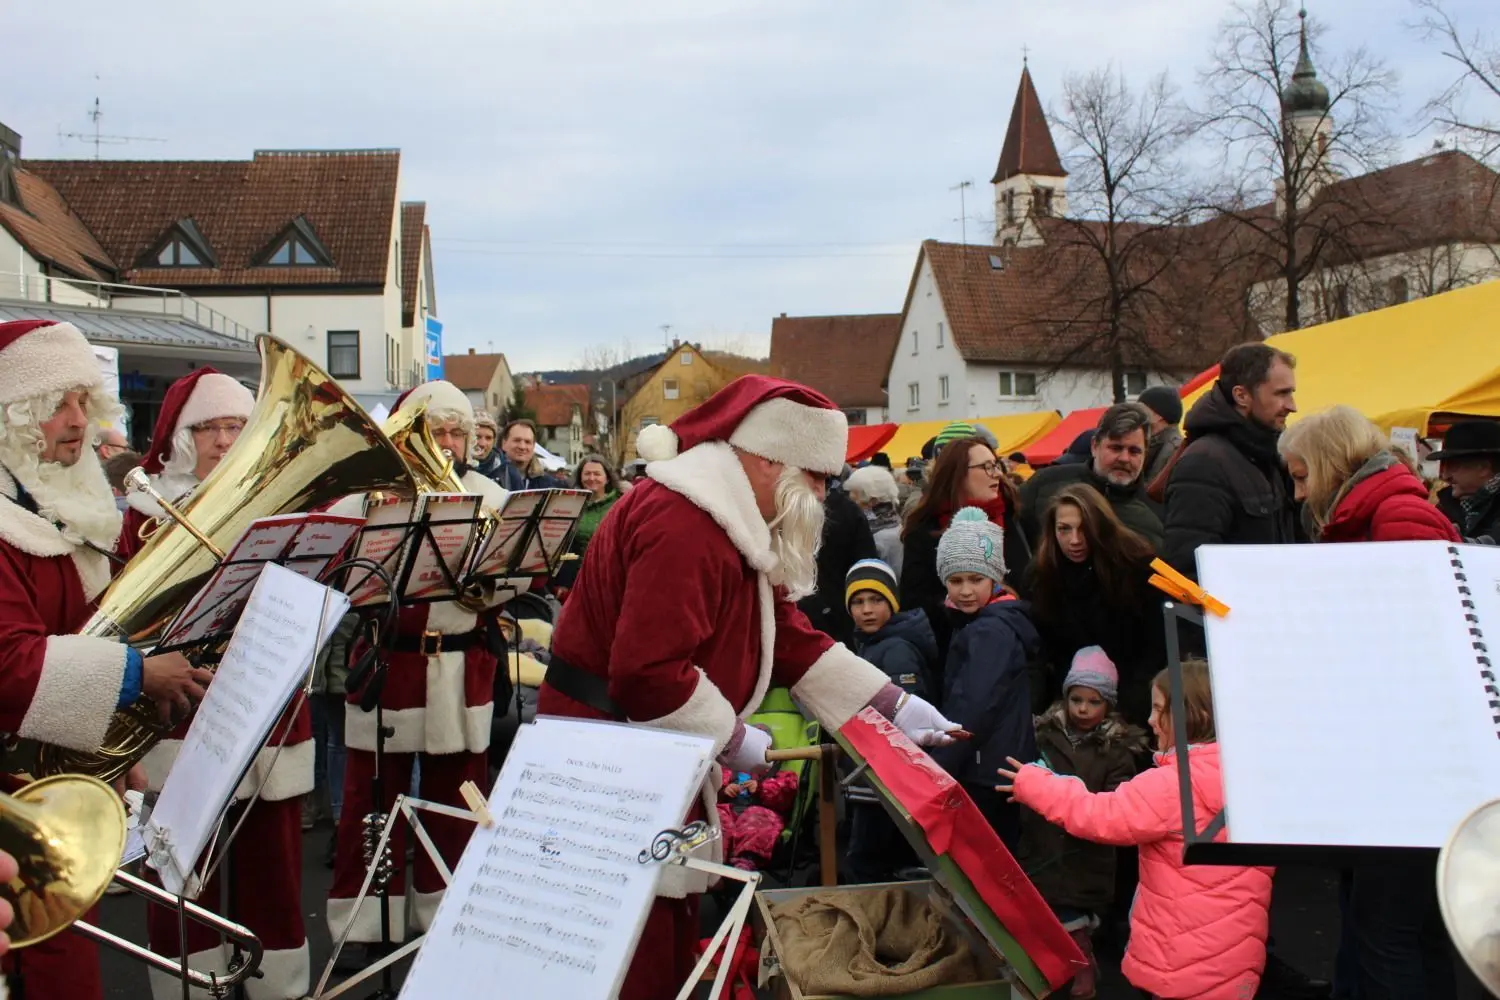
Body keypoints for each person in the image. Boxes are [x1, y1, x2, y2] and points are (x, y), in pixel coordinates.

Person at [536, 376, 962, 1000]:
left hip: (646, 748)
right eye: (815, 476)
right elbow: (648, 671)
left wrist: (893, 704)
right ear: (766, 459)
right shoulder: (686, 521)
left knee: (668, 918)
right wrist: (733, 736)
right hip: (611, 752)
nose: (823, 494)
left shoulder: (730, 513)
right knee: (629, 937)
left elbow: (781, 632)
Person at [0, 319, 209, 1000]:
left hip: (54, 784)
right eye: (56, 404)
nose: (77, 422)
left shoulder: (65, 504)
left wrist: (114, 745)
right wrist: (137, 674)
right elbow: (10, 664)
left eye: (84, 402)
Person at [121, 368, 315, 1000]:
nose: (227, 439)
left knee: (272, 868)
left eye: (239, 425)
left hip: (264, 701)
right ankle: (189, 987)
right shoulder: (146, 514)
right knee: (183, 870)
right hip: (183, 706)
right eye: (212, 427)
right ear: (182, 436)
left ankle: (276, 987)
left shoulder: (283, 507)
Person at [1279, 406, 1465, 999]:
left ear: (1334, 465)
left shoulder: (1396, 515)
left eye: (1304, 475)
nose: (1298, 491)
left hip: (1410, 762)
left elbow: (1421, 641)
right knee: (1406, 926)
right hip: (1405, 757)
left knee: (1387, 928)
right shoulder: (1379, 510)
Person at [327, 380, 510, 955]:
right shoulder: (373, 497)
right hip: (390, 660)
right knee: (370, 801)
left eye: (458, 432)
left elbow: (518, 577)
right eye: (437, 432)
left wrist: (497, 579)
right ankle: (366, 924)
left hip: (459, 667)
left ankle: (448, 915)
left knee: (458, 798)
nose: (450, 444)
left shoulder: (490, 496)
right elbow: (336, 567)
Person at [997, 660, 1274, 1000]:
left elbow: (1101, 815)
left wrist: (1035, 784)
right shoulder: (1254, 779)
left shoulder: (1173, 784)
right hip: (1234, 956)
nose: (1150, 721)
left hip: (1183, 957)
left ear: (1191, 716)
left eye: (1158, 710)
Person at [1017, 647, 1146, 1000]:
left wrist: (1071, 800)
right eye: (1077, 700)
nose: (1083, 709)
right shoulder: (1044, 734)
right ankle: (1066, 966)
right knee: (1046, 913)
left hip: (1085, 852)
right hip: (1042, 843)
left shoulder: (1117, 750)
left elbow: (1117, 802)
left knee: (1072, 915)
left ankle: (1083, 964)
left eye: (1094, 702)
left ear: (1109, 706)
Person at [929, 506, 1038, 850]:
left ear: (994, 579)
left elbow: (975, 703)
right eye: (956, 580)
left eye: (975, 579)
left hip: (986, 767)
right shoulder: (982, 625)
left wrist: (943, 761)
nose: (965, 591)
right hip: (996, 763)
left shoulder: (988, 631)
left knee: (985, 856)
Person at [1027, 484, 1163, 727]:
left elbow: (1155, 646)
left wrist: (1131, 708)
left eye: (1084, 529)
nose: (1075, 540)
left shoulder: (1136, 568)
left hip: (1133, 706)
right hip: (1069, 706)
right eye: (1064, 529)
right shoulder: (1041, 577)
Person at [1161, 343, 1299, 580]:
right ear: (1241, 395)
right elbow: (1188, 572)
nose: (1292, 406)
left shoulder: (1266, 455)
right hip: (1235, 614)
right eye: (1281, 393)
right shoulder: (1204, 464)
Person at [844, 558, 935, 883]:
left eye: (876, 600)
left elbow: (900, 718)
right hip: (874, 773)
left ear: (893, 603)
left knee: (867, 864)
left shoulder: (896, 650)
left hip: (884, 775)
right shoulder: (872, 646)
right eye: (858, 601)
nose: (867, 609)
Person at [900, 436, 1030, 663]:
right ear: (958, 473)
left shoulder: (1013, 517)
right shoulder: (924, 529)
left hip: (1013, 650)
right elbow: (915, 603)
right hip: (951, 655)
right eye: (986, 467)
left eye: (996, 465)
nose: (997, 473)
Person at [1019, 403, 1163, 551]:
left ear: (1145, 454)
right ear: (1094, 446)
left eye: (1134, 451)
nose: (1124, 458)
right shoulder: (1046, 483)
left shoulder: (1156, 512)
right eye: (1116, 448)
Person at [797, 477, 876, 648]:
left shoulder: (846, 511)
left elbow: (864, 567)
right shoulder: (848, 509)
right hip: (835, 615)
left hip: (834, 615)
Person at [715, 761, 799, 872]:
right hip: (730, 808)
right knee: (716, 817)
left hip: (760, 810)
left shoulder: (777, 771)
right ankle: (714, 862)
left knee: (758, 820)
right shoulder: (724, 768)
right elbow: (710, 787)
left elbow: (785, 793)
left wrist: (761, 788)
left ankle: (745, 861)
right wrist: (723, 790)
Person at [1430, 419, 1500, 544]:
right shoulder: (1447, 504)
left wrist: (1455, 540)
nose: (1445, 476)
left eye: (1453, 466)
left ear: (1483, 468)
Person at [844, 465, 903, 576]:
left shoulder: (880, 539)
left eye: (855, 500)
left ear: (872, 501)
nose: (851, 506)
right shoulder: (896, 526)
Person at [496, 418, 562, 490]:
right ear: (504, 443)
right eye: (517, 440)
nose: (522, 446)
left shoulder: (547, 485)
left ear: (533, 447)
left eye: (527, 442)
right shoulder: (491, 477)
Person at [1138, 385, 1184, 489]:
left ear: (1157, 415)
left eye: (1140, 409)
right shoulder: (1151, 443)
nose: (1136, 413)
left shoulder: (1175, 449)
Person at [469, 412, 506, 483]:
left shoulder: (507, 471)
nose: (482, 444)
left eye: (488, 438)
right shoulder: (455, 470)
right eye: (477, 437)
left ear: (494, 441)